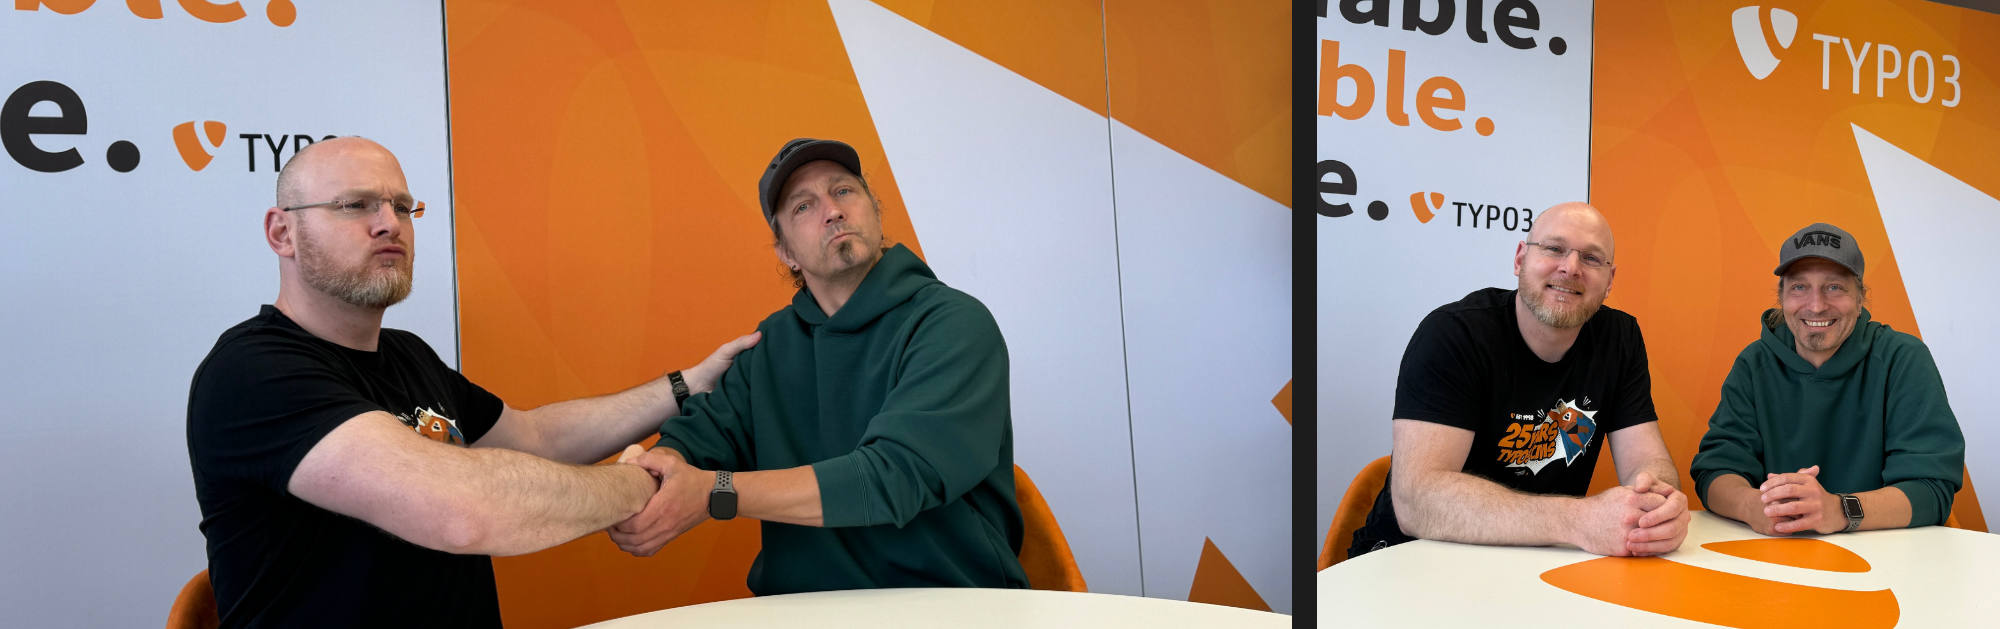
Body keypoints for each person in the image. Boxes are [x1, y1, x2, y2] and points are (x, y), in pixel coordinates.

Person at [186, 136, 758, 627]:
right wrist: (640, 489)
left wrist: (689, 385)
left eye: (403, 207)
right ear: (282, 233)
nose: (389, 224)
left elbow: (534, 438)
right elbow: (463, 511)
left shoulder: (407, 355)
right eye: (354, 205)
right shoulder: (252, 373)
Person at [607, 138, 1028, 594]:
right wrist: (663, 467)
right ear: (785, 252)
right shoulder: (769, 346)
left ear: (875, 211)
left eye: (844, 191)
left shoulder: (952, 324)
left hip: (944, 604)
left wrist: (717, 492)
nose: (832, 211)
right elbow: (696, 439)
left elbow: (895, 476)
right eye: (804, 206)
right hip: (800, 610)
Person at [1348, 202, 1691, 559]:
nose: (1570, 268)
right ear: (1519, 260)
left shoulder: (1620, 339)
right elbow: (1417, 501)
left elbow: (1646, 461)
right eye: (1554, 249)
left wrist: (1658, 504)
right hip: (1408, 565)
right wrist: (1577, 520)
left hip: (1535, 568)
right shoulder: (1453, 334)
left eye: (1591, 258)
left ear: (1609, 282)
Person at [1691, 222, 1964, 536]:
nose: (1817, 305)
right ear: (1781, 296)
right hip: (1778, 555)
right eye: (1799, 287)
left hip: (1890, 558)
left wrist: (1840, 510)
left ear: (1860, 297)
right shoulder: (1754, 363)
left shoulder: (1902, 358)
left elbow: (1932, 490)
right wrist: (1750, 505)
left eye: (1834, 286)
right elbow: (1715, 469)